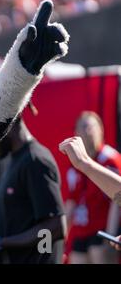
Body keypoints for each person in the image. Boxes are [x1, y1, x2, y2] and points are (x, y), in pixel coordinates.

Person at [0, 118, 66, 264]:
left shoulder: (35, 160)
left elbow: (55, 228)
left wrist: (0, 243)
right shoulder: (12, 159)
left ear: (9, 124)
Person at [60, 111, 120, 263]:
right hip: (81, 232)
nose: (87, 132)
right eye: (82, 127)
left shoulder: (110, 159)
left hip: (102, 231)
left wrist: (111, 235)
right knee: (76, 257)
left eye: (91, 127)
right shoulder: (74, 166)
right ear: (75, 133)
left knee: (98, 254)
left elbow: (118, 198)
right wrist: (59, 239)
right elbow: (71, 204)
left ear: (101, 129)